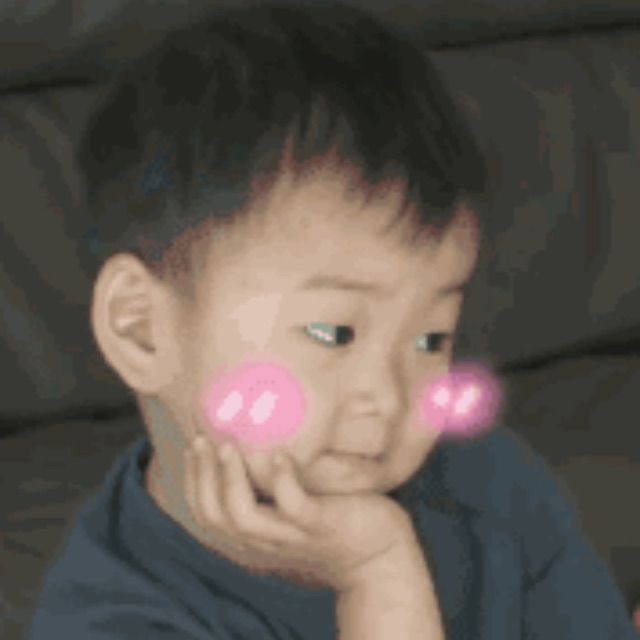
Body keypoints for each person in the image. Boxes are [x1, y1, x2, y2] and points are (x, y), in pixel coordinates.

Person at [26, 3, 638, 638]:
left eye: (431, 339)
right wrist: (377, 573)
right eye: (335, 333)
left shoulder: (489, 484)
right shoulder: (109, 622)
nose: (388, 397)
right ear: (141, 329)